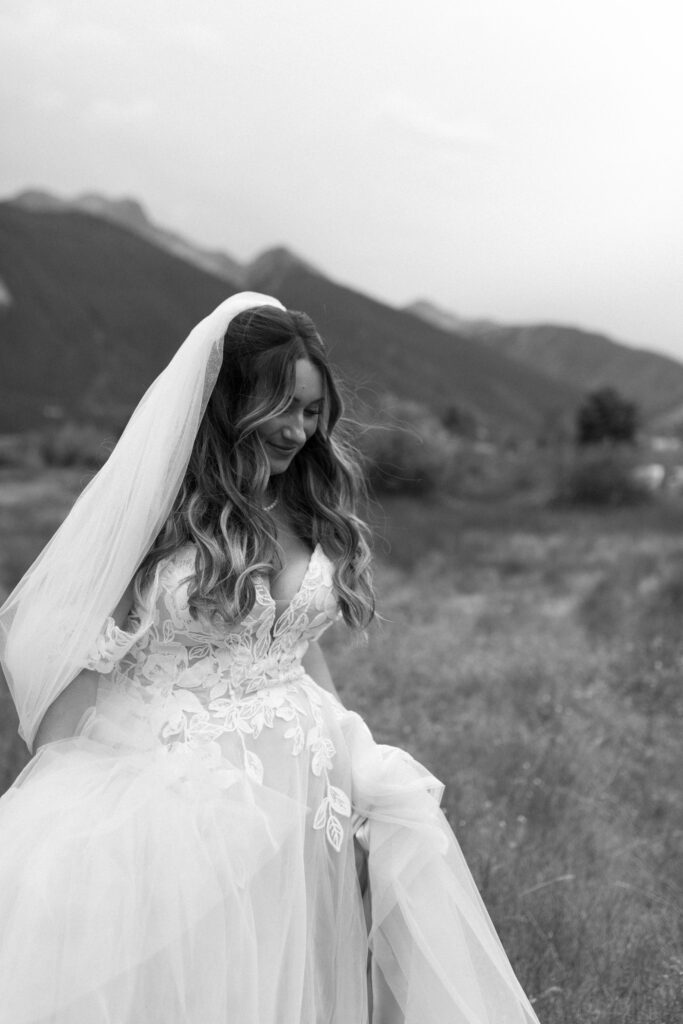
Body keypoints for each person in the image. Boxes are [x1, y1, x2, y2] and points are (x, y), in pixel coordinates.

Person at [0, 292, 540, 1023]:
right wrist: (59, 808)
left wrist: (351, 754)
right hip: (181, 808)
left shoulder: (306, 506)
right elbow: (73, 666)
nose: (298, 429)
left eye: (312, 410)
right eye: (281, 407)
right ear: (230, 406)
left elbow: (294, 653)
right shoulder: (157, 524)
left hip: (304, 795)